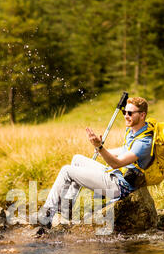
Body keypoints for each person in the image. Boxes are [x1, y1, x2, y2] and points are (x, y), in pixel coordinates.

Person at [34, 96, 154, 234]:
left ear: (142, 115)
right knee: (77, 159)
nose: (126, 116)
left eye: (130, 113)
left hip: (121, 187)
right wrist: (100, 147)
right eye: (124, 112)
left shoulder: (144, 142)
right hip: (118, 177)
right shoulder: (135, 130)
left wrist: (100, 148)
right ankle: (65, 211)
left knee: (66, 170)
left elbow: (116, 163)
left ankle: (46, 215)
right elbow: (124, 151)